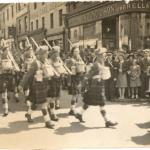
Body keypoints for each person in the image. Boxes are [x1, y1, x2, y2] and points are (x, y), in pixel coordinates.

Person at [74, 47, 118, 128]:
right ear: (100, 55)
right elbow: (88, 75)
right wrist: (82, 84)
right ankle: (107, 121)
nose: (105, 56)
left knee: (88, 102)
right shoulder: (96, 64)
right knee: (102, 104)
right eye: (104, 55)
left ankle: (79, 114)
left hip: (100, 86)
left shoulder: (102, 64)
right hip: (95, 87)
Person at [19, 46, 54, 129]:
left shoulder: (47, 62)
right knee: (43, 104)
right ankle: (47, 121)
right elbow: (28, 75)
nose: (47, 54)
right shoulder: (35, 63)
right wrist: (21, 85)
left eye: (46, 53)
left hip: (45, 85)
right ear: (40, 54)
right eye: (45, 53)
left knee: (34, 103)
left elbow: (50, 73)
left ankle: (28, 114)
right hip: (37, 86)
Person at [67, 46, 86, 115]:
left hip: (80, 78)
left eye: (78, 51)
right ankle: (72, 109)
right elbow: (68, 70)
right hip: (74, 78)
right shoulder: (70, 60)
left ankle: (72, 109)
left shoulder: (80, 59)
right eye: (75, 51)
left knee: (78, 94)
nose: (77, 52)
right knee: (75, 94)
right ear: (72, 52)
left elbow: (84, 67)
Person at [0, 45, 16, 116]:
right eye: (6, 50)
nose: (8, 52)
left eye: (8, 50)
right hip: (2, 77)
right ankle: (6, 110)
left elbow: (15, 68)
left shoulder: (11, 59)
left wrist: (13, 68)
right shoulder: (0, 59)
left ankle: (7, 103)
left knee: (9, 93)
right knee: (4, 93)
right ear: (3, 52)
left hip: (10, 77)